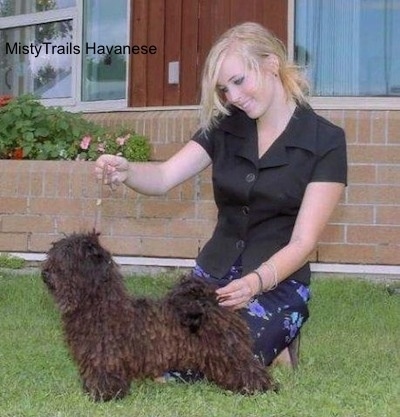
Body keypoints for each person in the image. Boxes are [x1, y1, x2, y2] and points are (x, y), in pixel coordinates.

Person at [95, 22, 347, 368]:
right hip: (213, 273)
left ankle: (279, 340)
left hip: (276, 279)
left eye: (239, 81)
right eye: (224, 89)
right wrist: (128, 172)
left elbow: (303, 242)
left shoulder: (326, 142)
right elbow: (165, 176)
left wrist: (255, 282)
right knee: (156, 358)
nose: (233, 97)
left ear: (272, 65)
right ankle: (274, 349)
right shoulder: (224, 127)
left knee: (224, 362)